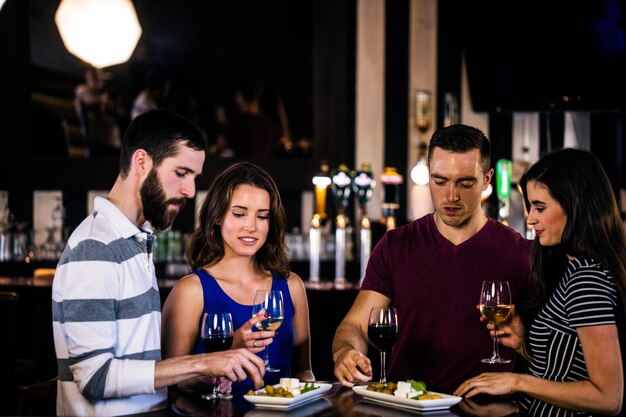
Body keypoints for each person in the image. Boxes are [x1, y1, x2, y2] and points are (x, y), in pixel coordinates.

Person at [52, 110, 265, 417]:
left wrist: (220, 361)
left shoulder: (136, 241)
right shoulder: (95, 248)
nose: (191, 191)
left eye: (194, 178)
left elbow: (145, 370)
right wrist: (201, 362)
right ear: (141, 162)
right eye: (181, 173)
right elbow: (94, 378)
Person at [332, 124, 532, 393]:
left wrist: (526, 346)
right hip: (406, 404)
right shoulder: (396, 245)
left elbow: (550, 353)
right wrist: (346, 352)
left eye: (465, 183)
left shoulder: (520, 253)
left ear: (486, 180)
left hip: (485, 409)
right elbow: (355, 325)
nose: (451, 196)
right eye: (440, 181)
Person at [455, 148, 625, 416]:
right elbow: (568, 370)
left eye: (540, 207)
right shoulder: (571, 269)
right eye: (530, 206)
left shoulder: (586, 279)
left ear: (575, 205)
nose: (531, 218)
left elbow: (608, 397)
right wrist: (524, 343)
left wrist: (517, 381)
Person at [161, 161, 315, 392]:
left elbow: (303, 370)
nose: (251, 226)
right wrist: (231, 350)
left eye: (262, 217)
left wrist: (307, 395)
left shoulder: (292, 286)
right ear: (217, 217)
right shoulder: (190, 291)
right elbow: (171, 385)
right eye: (239, 214)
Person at [74, 66, 126, 157]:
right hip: (95, 142)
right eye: (93, 75)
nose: (96, 78)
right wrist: (102, 99)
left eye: (97, 75)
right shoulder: (82, 90)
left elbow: (121, 113)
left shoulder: (103, 92)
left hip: (111, 142)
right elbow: (88, 99)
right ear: (87, 76)